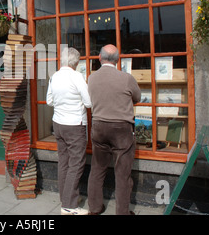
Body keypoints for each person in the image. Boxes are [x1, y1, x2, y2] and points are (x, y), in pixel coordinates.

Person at [87, 44, 141, 215]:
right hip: (121, 129)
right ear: (118, 60)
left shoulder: (91, 78)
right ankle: (122, 212)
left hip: (99, 126)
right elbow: (137, 98)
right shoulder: (126, 78)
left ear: (99, 58)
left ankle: (95, 208)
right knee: (122, 174)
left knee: (97, 169)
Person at [46, 47, 92, 215]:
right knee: (76, 164)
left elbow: (49, 101)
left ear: (62, 60)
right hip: (74, 125)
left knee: (63, 162)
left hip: (58, 123)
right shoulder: (77, 76)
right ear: (76, 62)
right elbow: (88, 103)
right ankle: (69, 206)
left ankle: (65, 198)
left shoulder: (54, 76)